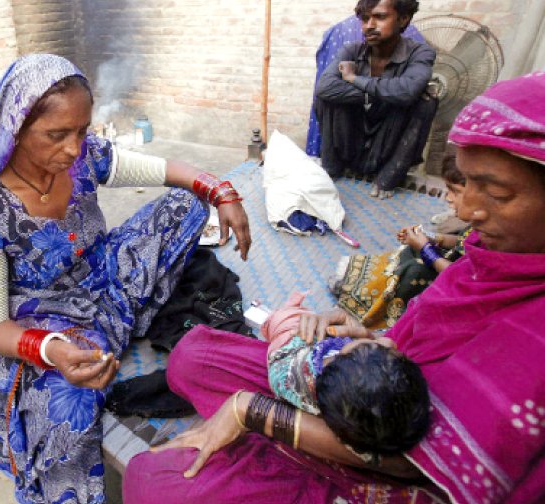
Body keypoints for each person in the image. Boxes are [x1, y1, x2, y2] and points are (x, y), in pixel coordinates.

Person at [124, 71, 545, 504]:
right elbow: (418, 353)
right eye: (467, 182)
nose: (469, 209)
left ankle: (275, 457)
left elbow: (416, 456)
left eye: (496, 192)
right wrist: (368, 338)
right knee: (193, 356)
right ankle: (264, 445)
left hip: (388, 456)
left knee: (154, 484)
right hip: (358, 398)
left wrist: (254, 412)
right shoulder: (488, 260)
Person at [0, 53, 251, 504]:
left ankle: (115, 323)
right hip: (37, 318)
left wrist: (221, 190)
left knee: (185, 205)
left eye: (82, 131)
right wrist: (51, 351)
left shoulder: (81, 158)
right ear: (15, 129)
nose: (72, 148)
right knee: (70, 403)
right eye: (56, 135)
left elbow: (158, 170)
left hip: (99, 276)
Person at [314, 0, 437, 198]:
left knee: (425, 100)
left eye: (380, 17)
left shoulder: (420, 53)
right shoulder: (351, 50)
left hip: (387, 149)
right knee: (328, 96)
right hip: (350, 145)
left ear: (403, 19)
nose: (369, 25)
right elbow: (324, 87)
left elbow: (408, 91)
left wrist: (353, 79)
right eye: (365, 18)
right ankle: (331, 169)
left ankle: (387, 179)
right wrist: (381, 94)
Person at [330, 151, 471, 328]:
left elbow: (462, 279)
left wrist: (426, 249)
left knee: (415, 270)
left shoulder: (496, 239)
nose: (448, 197)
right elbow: (462, 241)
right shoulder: (479, 227)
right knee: (408, 251)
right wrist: (433, 239)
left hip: (458, 283)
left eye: (455, 191)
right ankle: (362, 289)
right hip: (454, 262)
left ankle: (367, 308)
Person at [265, 327, 430, 464]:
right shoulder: (346, 401)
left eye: (380, 348)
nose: (389, 341)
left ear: (339, 355)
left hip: (284, 348)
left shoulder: (298, 373)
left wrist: (294, 330)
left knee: (288, 318)